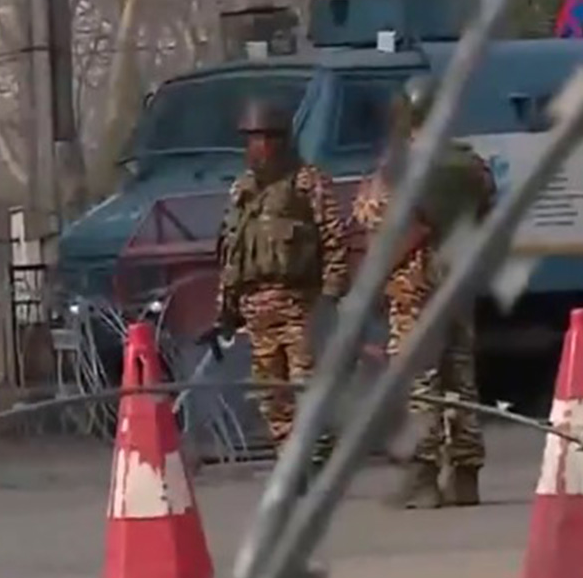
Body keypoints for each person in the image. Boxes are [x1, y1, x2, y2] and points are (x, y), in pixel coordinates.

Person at [350, 73, 494, 508]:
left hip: (414, 289)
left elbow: (380, 219)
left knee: (419, 384)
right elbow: (485, 212)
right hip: (456, 285)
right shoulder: (471, 165)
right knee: (460, 380)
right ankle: (465, 474)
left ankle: (423, 476)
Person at [211, 99, 351, 459]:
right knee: (271, 396)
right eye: (250, 140)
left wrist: (331, 297)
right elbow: (231, 252)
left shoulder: (308, 183)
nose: (255, 148)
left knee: (310, 388)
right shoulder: (242, 191)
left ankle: (317, 460)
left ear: (281, 140)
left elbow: (335, 239)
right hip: (257, 310)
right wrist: (225, 310)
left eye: (263, 139)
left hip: (300, 306)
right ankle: (290, 461)